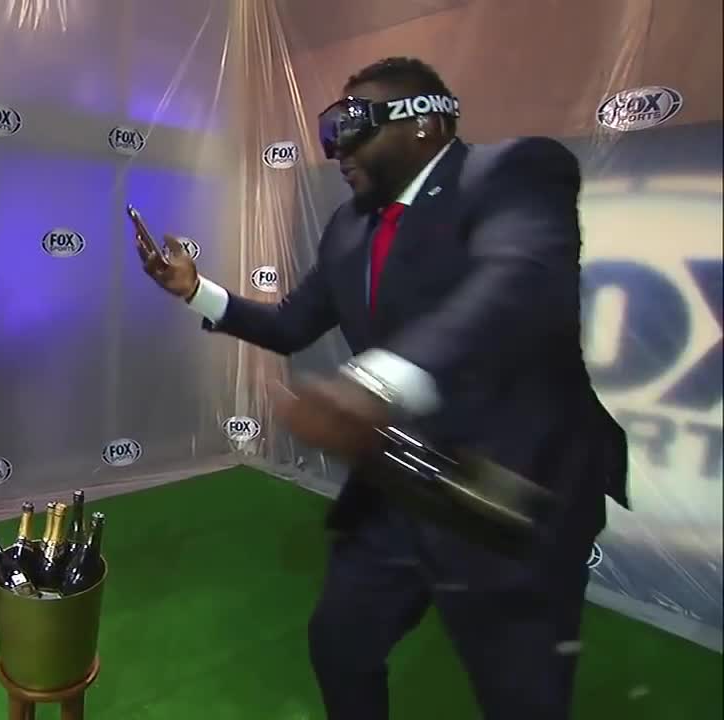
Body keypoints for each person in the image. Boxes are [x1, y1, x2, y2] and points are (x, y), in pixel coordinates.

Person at [136, 57, 629, 720]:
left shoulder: (512, 174)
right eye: (328, 129)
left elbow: (514, 284)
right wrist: (197, 290)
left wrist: (374, 382)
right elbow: (290, 324)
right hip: (404, 487)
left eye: (353, 124)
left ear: (423, 122)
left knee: (523, 700)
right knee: (339, 644)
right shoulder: (349, 226)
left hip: (514, 497)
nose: (335, 147)